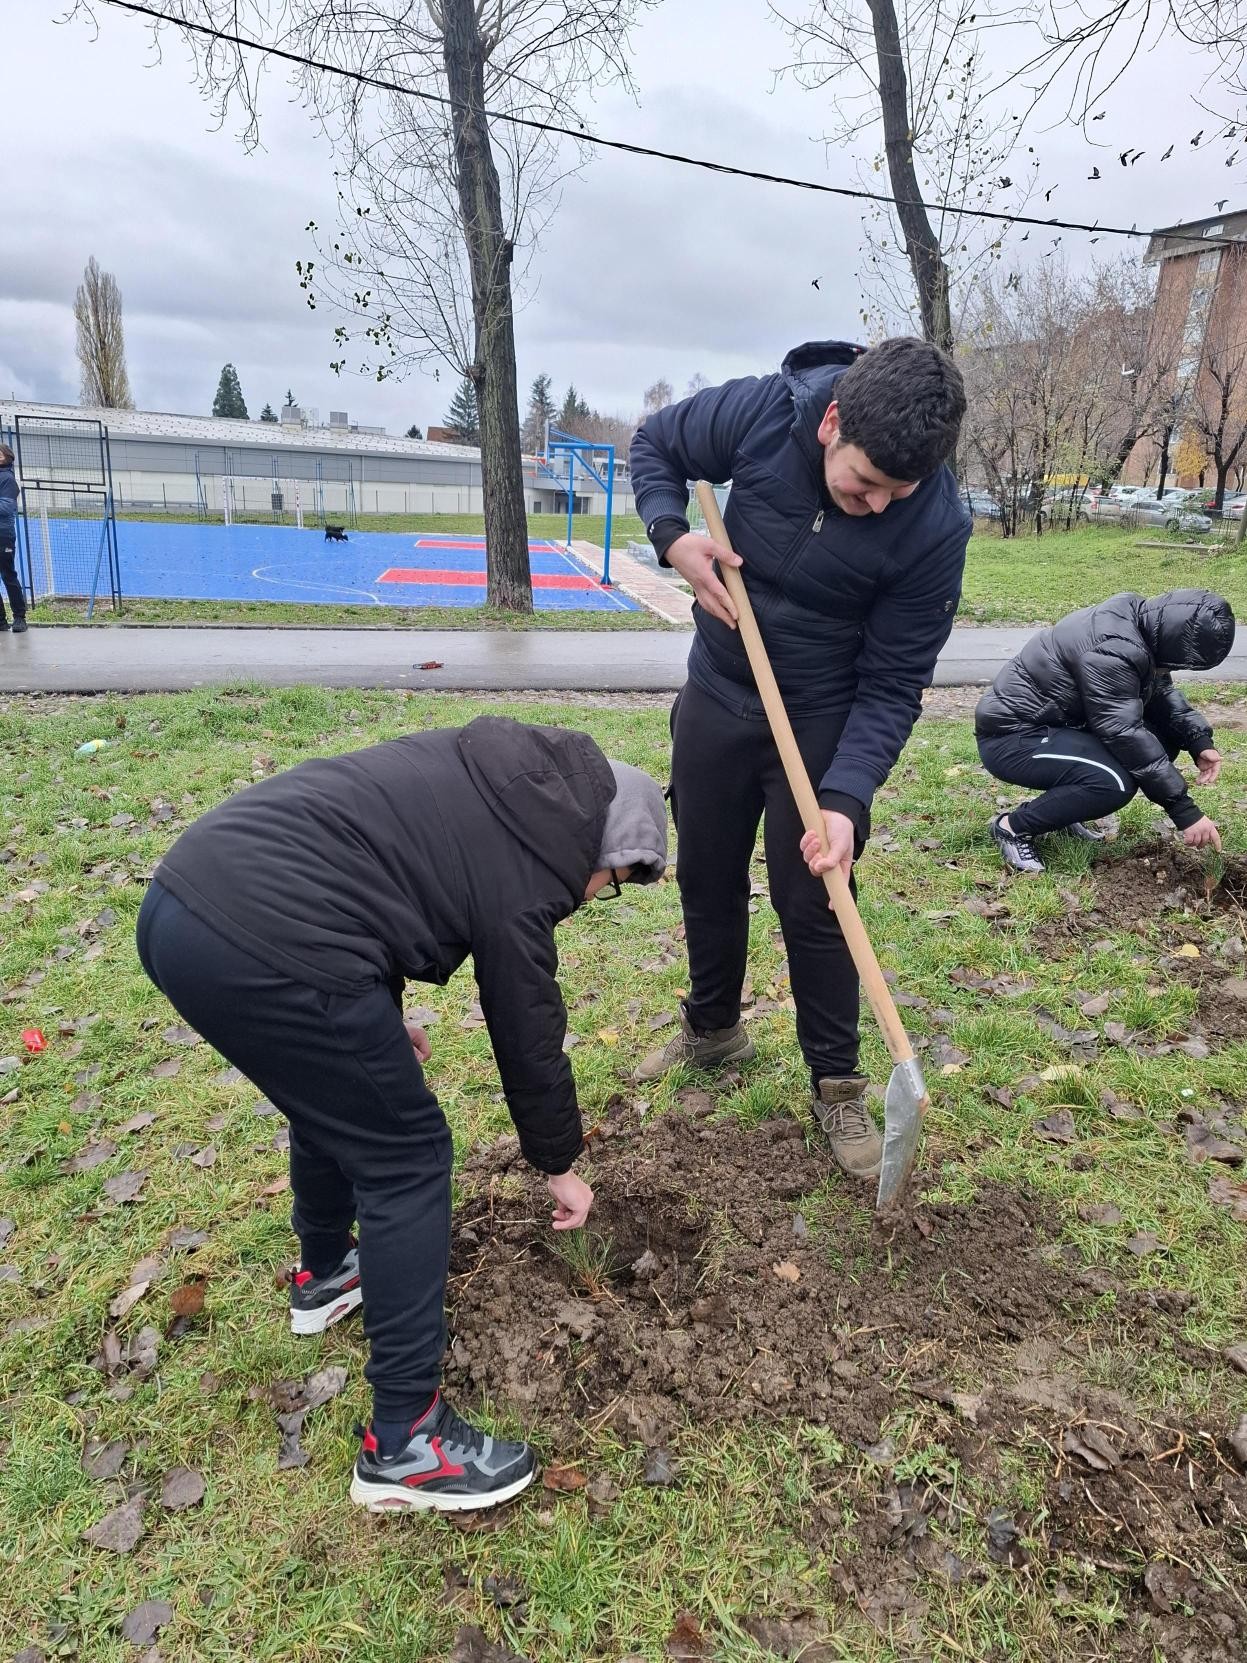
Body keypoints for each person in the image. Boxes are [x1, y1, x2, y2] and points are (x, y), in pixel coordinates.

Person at [135, 716, 668, 1513]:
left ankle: (325, 1273)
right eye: (614, 882)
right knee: (408, 1156)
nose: (595, 896)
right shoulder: (537, 860)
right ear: (605, 849)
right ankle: (407, 1443)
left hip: (183, 904)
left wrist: (373, 1010)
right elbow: (525, 1023)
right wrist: (558, 1162)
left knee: (338, 1095)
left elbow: (361, 877)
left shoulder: (492, 776)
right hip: (260, 934)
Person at [629, 338, 970, 1180]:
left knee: (816, 897)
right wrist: (671, 537)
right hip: (718, 686)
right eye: (864, 482)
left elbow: (893, 682)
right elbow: (656, 444)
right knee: (705, 870)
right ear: (829, 424)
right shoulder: (763, 411)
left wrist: (845, 799)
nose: (877, 505)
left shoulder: (934, 526)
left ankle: (836, 1082)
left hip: (821, 714)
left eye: (897, 491)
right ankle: (713, 1028)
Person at [976, 588, 1233, 874]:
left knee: (1162, 741)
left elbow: (1161, 693)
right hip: (1012, 737)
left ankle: (1063, 811)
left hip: (1059, 726)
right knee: (1113, 784)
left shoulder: (1139, 626)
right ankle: (1012, 827)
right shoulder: (1112, 650)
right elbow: (1124, 732)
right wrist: (1185, 811)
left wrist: (1198, 740)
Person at [0, 444, 27, 634]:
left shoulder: (8, 479)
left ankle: (19, 617)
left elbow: (6, 508)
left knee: (8, 575)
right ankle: (1, 621)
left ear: (7, 457)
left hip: (3, 534)